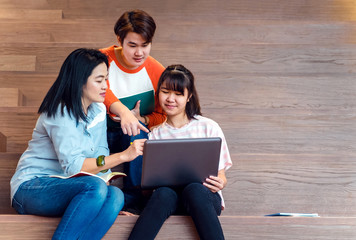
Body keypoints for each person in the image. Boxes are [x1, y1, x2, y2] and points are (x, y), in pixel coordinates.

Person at [10, 48, 146, 240]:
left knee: (115, 195)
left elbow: (100, 156)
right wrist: (123, 156)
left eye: (106, 79)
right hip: (31, 187)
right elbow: (73, 167)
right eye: (99, 80)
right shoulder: (59, 112)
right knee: (94, 187)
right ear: (80, 80)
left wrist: (106, 186)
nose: (105, 86)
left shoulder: (98, 110)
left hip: (69, 185)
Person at [128, 64, 233, 240]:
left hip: (203, 200)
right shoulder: (154, 134)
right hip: (168, 201)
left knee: (194, 189)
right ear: (158, 93)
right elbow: (147, 191)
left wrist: (220, 183)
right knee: (164, 193)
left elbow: (221, 176)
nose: (170, 99)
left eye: (178, 94)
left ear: (189, 96)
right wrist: (149, 184)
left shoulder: (208, 126)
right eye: (165, 91)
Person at [100, 9, 166, 213]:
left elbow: (163, 114)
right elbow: (92, 88)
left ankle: (134, 202)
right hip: (98, 131)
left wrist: (142, 118)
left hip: (128, 134)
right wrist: (123, 111)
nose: (139, 53)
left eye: (145, 46)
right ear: (119, 40)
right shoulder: (101, 59)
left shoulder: (156, 71)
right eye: (132, 45)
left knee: (138, 131)